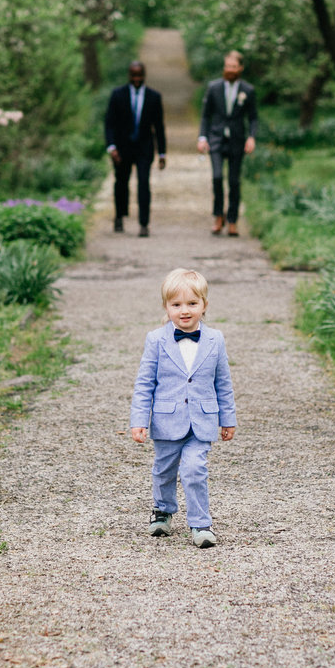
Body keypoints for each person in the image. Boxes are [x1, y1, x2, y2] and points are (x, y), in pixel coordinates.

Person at [130, 268, 236, 548]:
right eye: (176, 305)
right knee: (163, 470)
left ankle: (201, 524)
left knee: (194, 469)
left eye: (192, 304)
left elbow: (223, 383)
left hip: (201, 423)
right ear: (166, 307)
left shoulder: (215, 339)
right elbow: (144, 384)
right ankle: (162, 510)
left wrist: (228, 419)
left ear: (204, 305)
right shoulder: (156, 339)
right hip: (166, 421)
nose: (184, 311)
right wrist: (139, 420)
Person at [197, 50, 258, 237]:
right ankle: (218, 216)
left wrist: (251, 137)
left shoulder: (248, 91)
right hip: (216, 138)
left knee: (233, 181)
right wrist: (202, 137)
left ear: (240, 68)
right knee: (216, 177)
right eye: (227, 66)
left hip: (237, 141)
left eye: (233, 66)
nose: (229, 70)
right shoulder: (214, 87)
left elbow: (253, 117)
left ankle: (232, 220)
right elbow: (206, 115)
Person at [105, 61, 166, 237]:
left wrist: (162, 153)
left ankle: (144, 223)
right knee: (121, 183)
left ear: (144, 75)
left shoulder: (154, 97)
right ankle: (119, 216)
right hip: (122, 148)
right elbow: (109, 123)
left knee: (144, 184)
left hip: (144, 148)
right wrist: (111, 147)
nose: (137, 79)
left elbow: (159, 127)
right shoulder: (118, 95)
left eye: (140, 75)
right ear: (129, 75)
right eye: (134, 75)